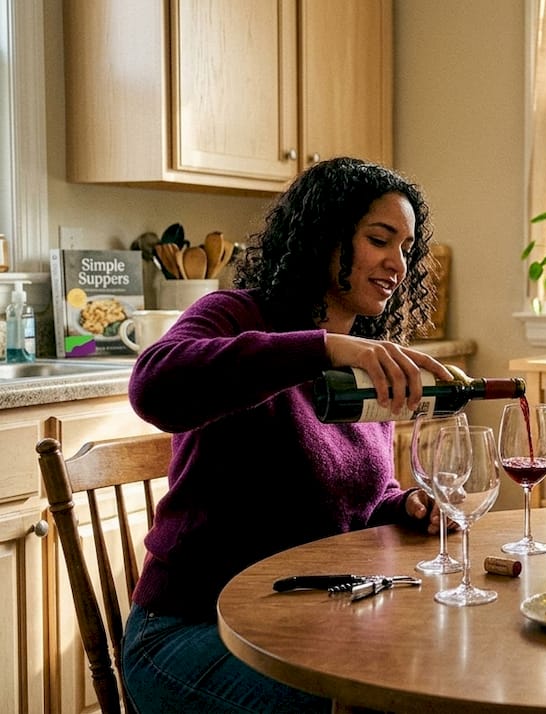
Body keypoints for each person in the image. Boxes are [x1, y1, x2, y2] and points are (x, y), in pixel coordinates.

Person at [121, 157, 454, 713]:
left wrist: (406, 506)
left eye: (406, 248)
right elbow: (154, 387)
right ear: (325, 237)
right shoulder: (235, 315)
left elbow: (350, 504)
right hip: (191, 631)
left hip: (303, 626)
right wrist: (319, 347)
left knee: (433, 678)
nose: (398, 264)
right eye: (379, 239)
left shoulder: (364, 361)